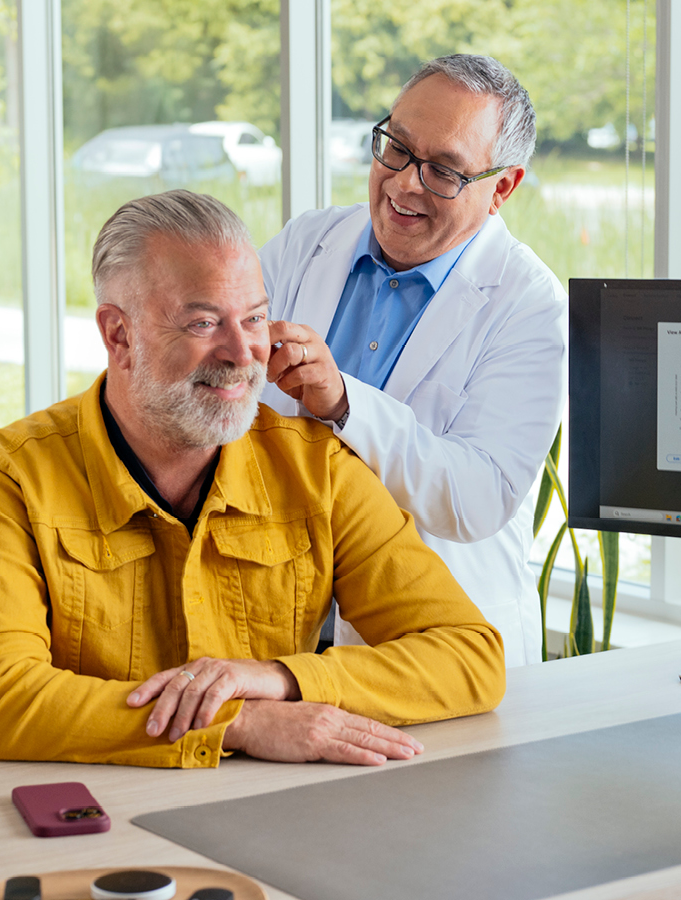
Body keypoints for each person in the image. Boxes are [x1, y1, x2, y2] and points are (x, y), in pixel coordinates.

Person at [0, 190, 506, 769]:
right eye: (204, 322)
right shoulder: (3, 478)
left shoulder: (321, 470)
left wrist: (280, 679)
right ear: (119, 336)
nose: (242, 353)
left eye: (255, 317)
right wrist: (238, 722)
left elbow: (471, 657)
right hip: (93, 810)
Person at [261, 54, 566, 667]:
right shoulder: (306, 242)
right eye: (396, 149)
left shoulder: (531, 305)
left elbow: (480, 495)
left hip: (429, 644)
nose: (404, 184)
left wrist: (343, 403)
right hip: (278, 624)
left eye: (444, 171)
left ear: (502, 189)